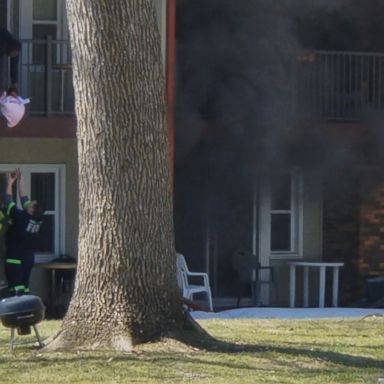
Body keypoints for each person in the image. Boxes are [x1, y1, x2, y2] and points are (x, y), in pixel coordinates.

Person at [4, 169, 43, 295]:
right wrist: (20, 180)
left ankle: (16, 311)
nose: (29, 203)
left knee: (16, 288)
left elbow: (8, 201)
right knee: (25, 287)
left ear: (31, 210)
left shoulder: (20, 218)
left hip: (15, 258)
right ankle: (26, 307)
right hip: (28, 259)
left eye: (31, 204)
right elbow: (24, 198)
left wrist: (9, 183)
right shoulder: (38, 219)